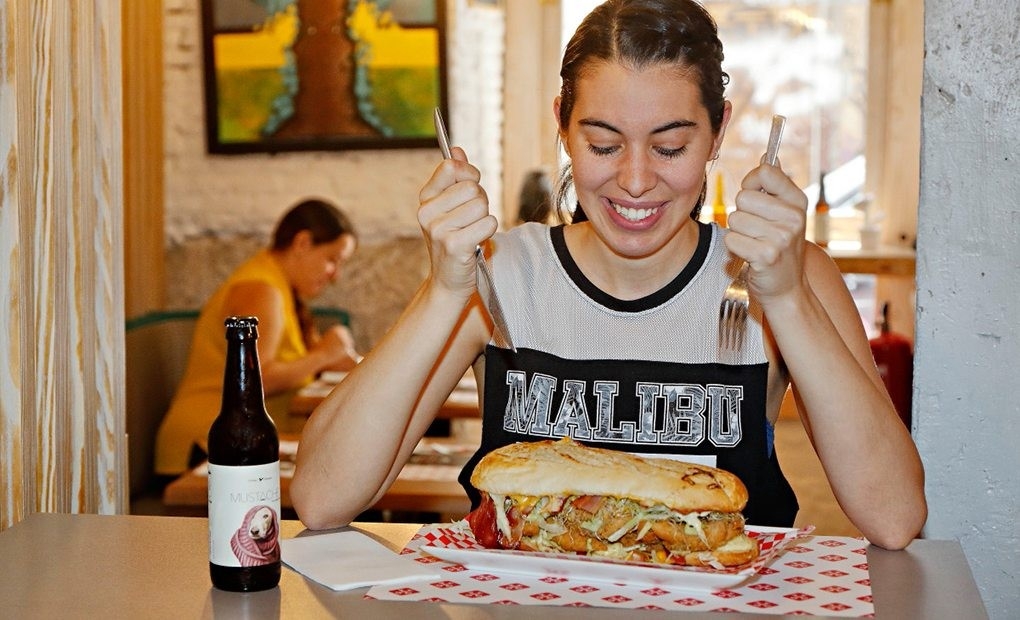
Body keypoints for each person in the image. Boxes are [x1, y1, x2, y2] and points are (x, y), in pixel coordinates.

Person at [291, 0, 926, 549]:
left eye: (670, 147)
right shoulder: (502, 273)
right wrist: (443, 295)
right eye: (603, 144)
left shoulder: (791, 274)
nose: (636, 179)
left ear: (719, 129)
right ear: (563, 124)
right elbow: (320, 500)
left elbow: (894, 518)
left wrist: (787, 298)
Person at [154, 198, 360, 476]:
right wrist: (323, 355)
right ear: (302, 243)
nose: (335, 274)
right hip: (205, 447)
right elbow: (256, 379)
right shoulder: (261, 288)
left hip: (239, 444)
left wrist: (330, 355)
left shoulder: (281, 286)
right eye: (332, 260)